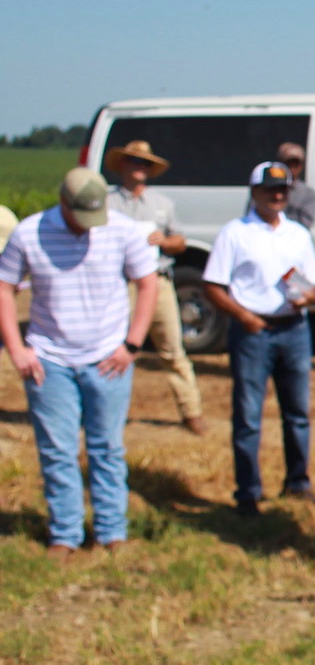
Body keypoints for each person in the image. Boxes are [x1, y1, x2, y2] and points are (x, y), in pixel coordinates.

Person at [0, 169, 158, 558]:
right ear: (63, 204)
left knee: (107, 448)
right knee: (57, 450)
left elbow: (148, 282)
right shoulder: (28, 233)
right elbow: (4, 287)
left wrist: (132, 344)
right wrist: (16, 349)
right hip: (49, 360)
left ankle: (111, 530)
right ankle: (65, 533)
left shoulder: (122, 230)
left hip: (108, 358)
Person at [203, 162, 315, 516]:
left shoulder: (298, 234)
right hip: (253, 331)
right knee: (249, 417)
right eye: (270, 190)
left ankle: (298, 481)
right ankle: (248, 491)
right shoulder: (235, 233)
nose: (276, 196)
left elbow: (314, 284)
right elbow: (213, 285)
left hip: (293, 329)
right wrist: (244, 316)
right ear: (254, 192)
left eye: (283, 190)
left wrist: (309, 297)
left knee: (298, 413)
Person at [104, 140, 207, 435]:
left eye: (145, 164)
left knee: (173, 349)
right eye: (135, 162)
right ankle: (110, 413)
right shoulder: (109, 203)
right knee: (115, 349)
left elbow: (181, 242)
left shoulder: (162, 204)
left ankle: (191, 412)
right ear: (122, 165)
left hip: (158, 280)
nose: (140, 168)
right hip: (120, 283)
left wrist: (164, 240)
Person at [278, 142, 315, 228]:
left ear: (301, 166)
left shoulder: (309, 194)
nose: (292, 167)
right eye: (288, 163)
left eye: (296, 164)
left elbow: (304, 225)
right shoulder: (263, 190)